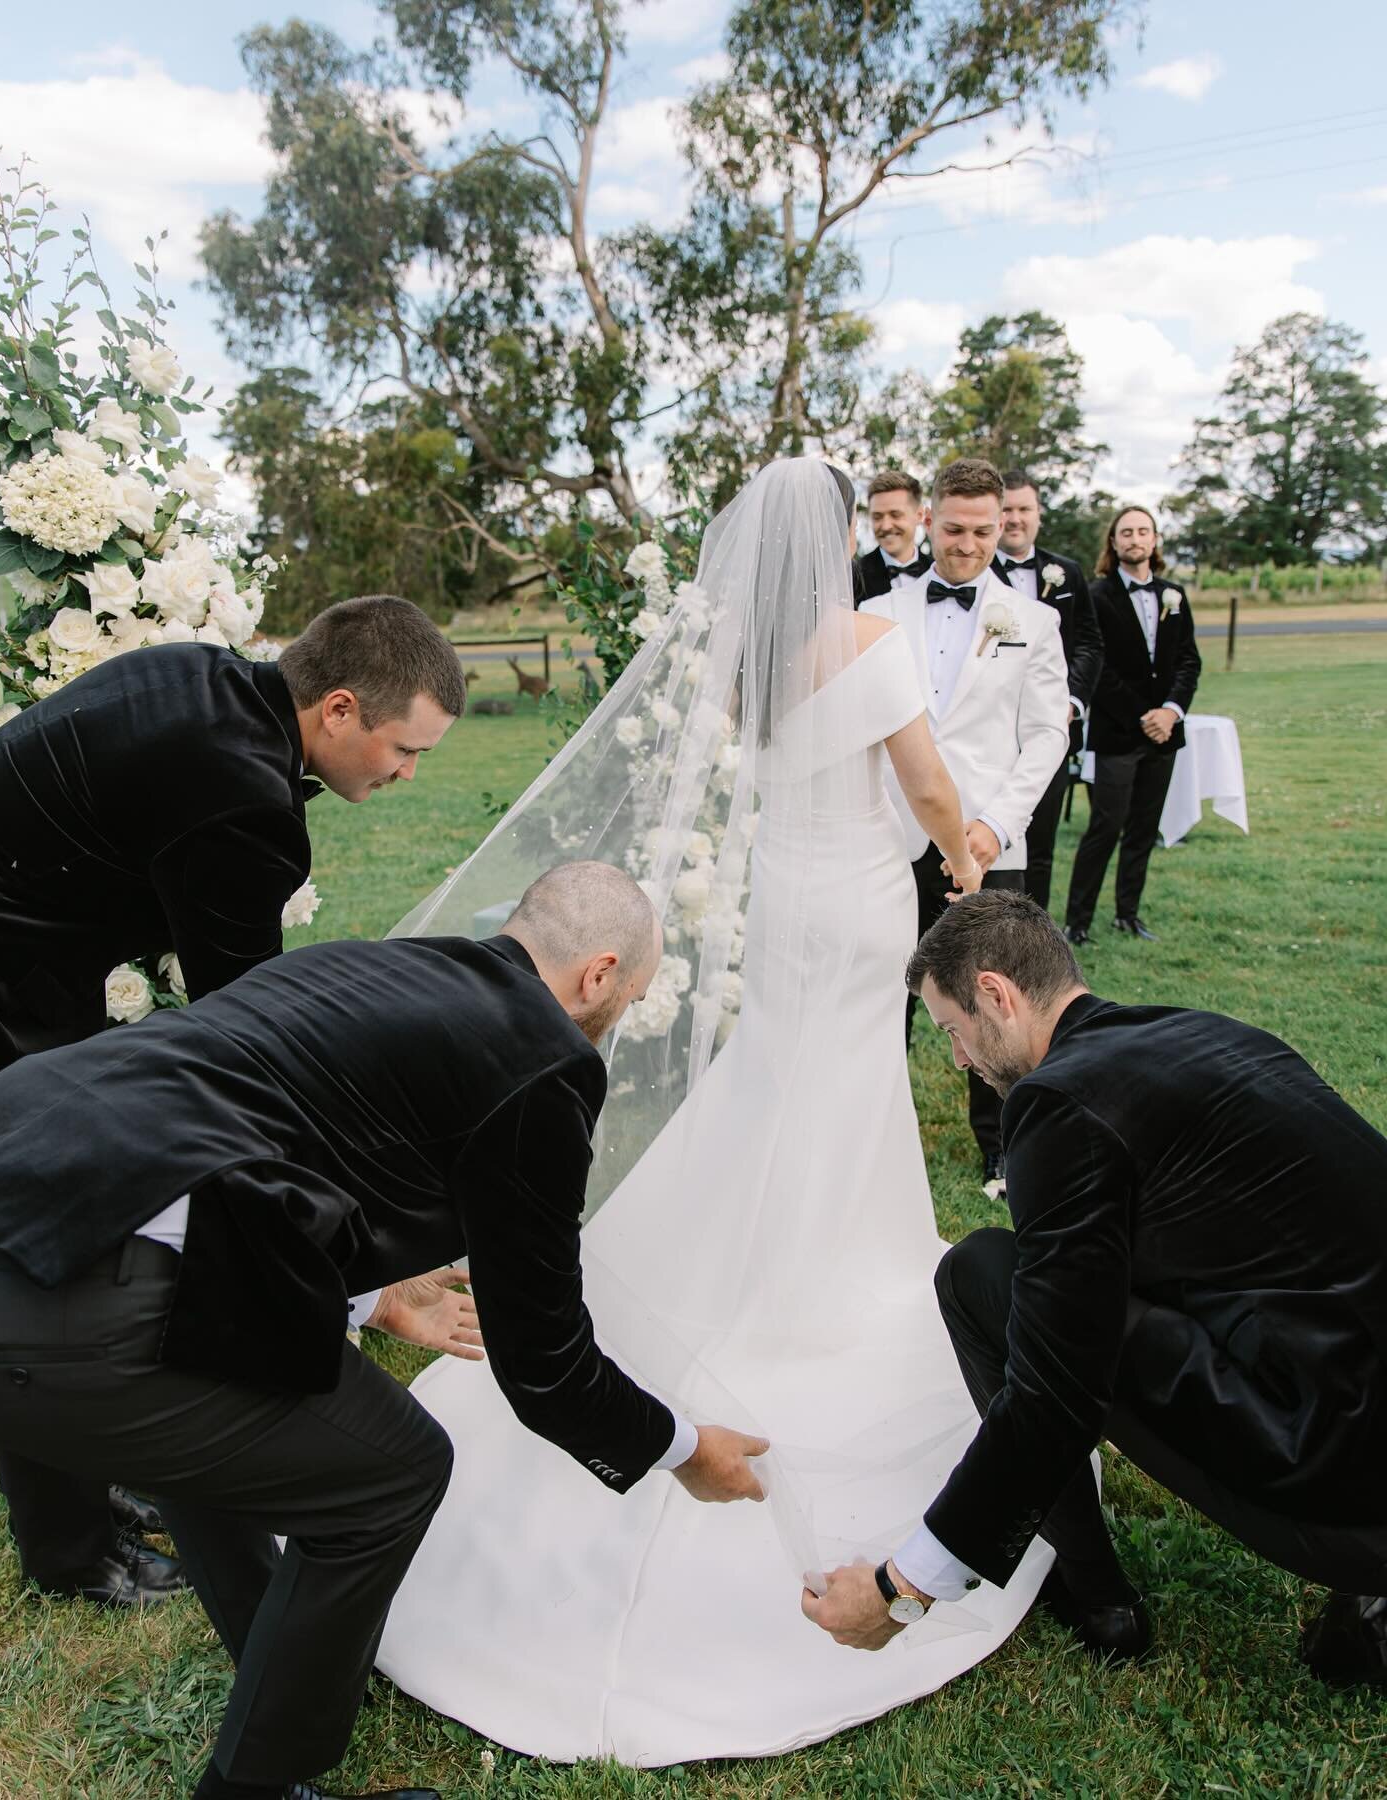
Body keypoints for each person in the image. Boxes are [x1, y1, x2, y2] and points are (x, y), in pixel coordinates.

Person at [371, 459, 1055, 1767]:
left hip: (788, 897)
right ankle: (823, 1289)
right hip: (858, 906)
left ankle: (758, 1259)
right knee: (837, 1091)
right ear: (842, 536)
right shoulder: (866, 634)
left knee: (784, 1081)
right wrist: (970, 852)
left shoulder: (749, 658)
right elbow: (920, 789)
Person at [0, 862, 769, 1800]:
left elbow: (245, 1157)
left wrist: (372, 1299)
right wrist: (684, 1448)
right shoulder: (546, 1062)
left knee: (231, 1374)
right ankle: (257, 1788)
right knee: (396, 1469)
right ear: (597, 975)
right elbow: (545, 1364)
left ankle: (279, 1648)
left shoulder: (367, 971)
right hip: (54, 1291)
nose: (621, 1016)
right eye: (629, 995)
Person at [0, 595, 465, 1610]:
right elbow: (252, 1058)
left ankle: (97, 1486)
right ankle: (69, 1549)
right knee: (45, 1242)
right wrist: (366, 1259)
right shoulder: (242, 802)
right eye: (406, 750)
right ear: (341, 710)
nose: (410, 776)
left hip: (14, 962)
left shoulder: (206, 675)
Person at [803, 891, 1387, 1695]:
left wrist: (899, 1590)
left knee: (980, 1275)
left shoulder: (1057, 1103)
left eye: (953, 1030)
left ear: (997, 997)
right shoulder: (1198, 1030)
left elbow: (1053, 1396)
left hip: (1341, 1459)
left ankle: (1095, 1592)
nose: (958, 1061)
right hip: (1354, 1369)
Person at [862, 457, 1069, 1199]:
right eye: (954, 529)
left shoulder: (1035, 621)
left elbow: (1047, 736)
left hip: (987, 842)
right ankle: (875, 1142)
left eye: (986, 531)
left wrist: (993, 825)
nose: (969, 544)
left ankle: (1004, 1149)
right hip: (889, 839)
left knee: (993, 1000)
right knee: (884, 992)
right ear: (928, 521)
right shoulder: (880, 613)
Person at [1064, 507, 1202, 945]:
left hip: (1164, 735)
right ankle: (1077, 922)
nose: (1135, 539)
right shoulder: (1098, 595)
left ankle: (1128, 914)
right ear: (1114, 542)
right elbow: (1097, 665)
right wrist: (1144, 716)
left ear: (1155, 539)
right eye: (1127, 532)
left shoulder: (1174, 594)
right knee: (1105, 827)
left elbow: (1188, 661)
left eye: (1143, 531)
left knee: (1144, 829)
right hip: (1119, 734)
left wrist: (1171, 711)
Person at [991, 470, 1103, 912]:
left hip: (1048, 730)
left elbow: (1090, 644)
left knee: (1040, 842)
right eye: (1007, 510)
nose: (1015, 519)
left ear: (1038, 514)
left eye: (1024, 509)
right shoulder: (978, 570)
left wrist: (1070, 701)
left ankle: (1033, 937)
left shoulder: (1068, 573)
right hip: (993, 730)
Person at [855, 469, 929, 603]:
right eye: (877, 517)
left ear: (919, 515)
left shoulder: (940, 572)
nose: (886, 526)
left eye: (895, 515)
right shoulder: (854, 578)